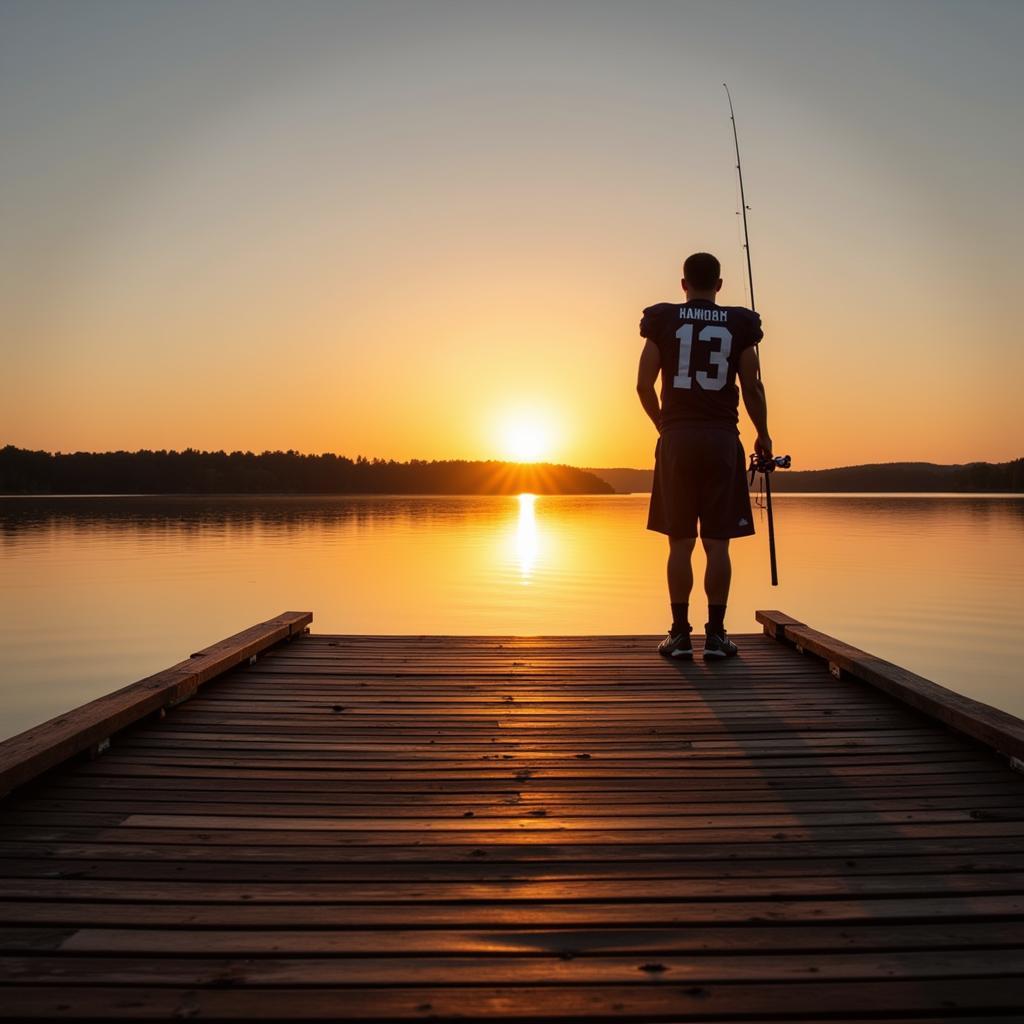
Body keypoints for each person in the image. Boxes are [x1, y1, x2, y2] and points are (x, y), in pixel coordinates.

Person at [636, 251, 772, 659]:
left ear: (683, 284)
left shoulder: (663, 320)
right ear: (719, 285)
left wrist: (665, 425)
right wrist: (763, 434)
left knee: (679, 544)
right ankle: (716, 636)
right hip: (720, 440)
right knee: (717, 544)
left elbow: (643, 385)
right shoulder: (739, 323)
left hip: (677, 440)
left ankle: (679, 636)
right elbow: (752, 386)